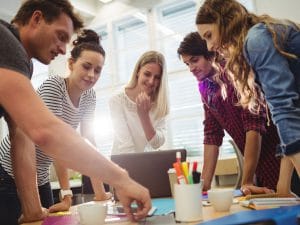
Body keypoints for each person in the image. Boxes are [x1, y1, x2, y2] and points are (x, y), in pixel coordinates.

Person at [0, 1, 151, 224]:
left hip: (36, 176)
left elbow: (20, 133)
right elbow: (46, 133)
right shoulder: (7, 43)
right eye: (60, 36)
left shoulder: (24, 64)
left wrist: (32, 208)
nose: (62, 48)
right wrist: (122, 179)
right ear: (36, 19)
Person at [0, 29, 112, 220]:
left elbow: (89, 142)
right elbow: (55, 142)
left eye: (98, 70)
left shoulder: (90, 97)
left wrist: (100, 192)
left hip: (40, 176)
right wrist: (67, 193)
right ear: (71, 64)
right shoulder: (55, 87)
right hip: (9, 172)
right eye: (86, 67)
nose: (91, 75)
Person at [196, 0, 300, 195]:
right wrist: (283, 189)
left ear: (225, 22)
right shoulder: (255, 41)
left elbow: (285, 113)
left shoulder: (256, 40)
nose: (210, 46)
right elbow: (291, 120)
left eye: (209, 36)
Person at [177, 32, 280, 194]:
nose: (191, 68)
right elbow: (211, 134)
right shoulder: (205, 87)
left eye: (194, 60)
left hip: (280, 158)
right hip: (258, 168)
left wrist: (246, 181)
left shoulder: (236, 72)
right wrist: (204, 184)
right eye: (187, 64)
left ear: (210, 54)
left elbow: (253, 127)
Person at [109, 51, 169, 154]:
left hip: (145, 163)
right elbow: (126, 146)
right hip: (122, 163)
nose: (151, 81)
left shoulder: (159, 104)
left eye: (157, 77)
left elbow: (156, 143)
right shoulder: (117, 100)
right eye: (147, 74)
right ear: (138, 72)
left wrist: (144, 116)